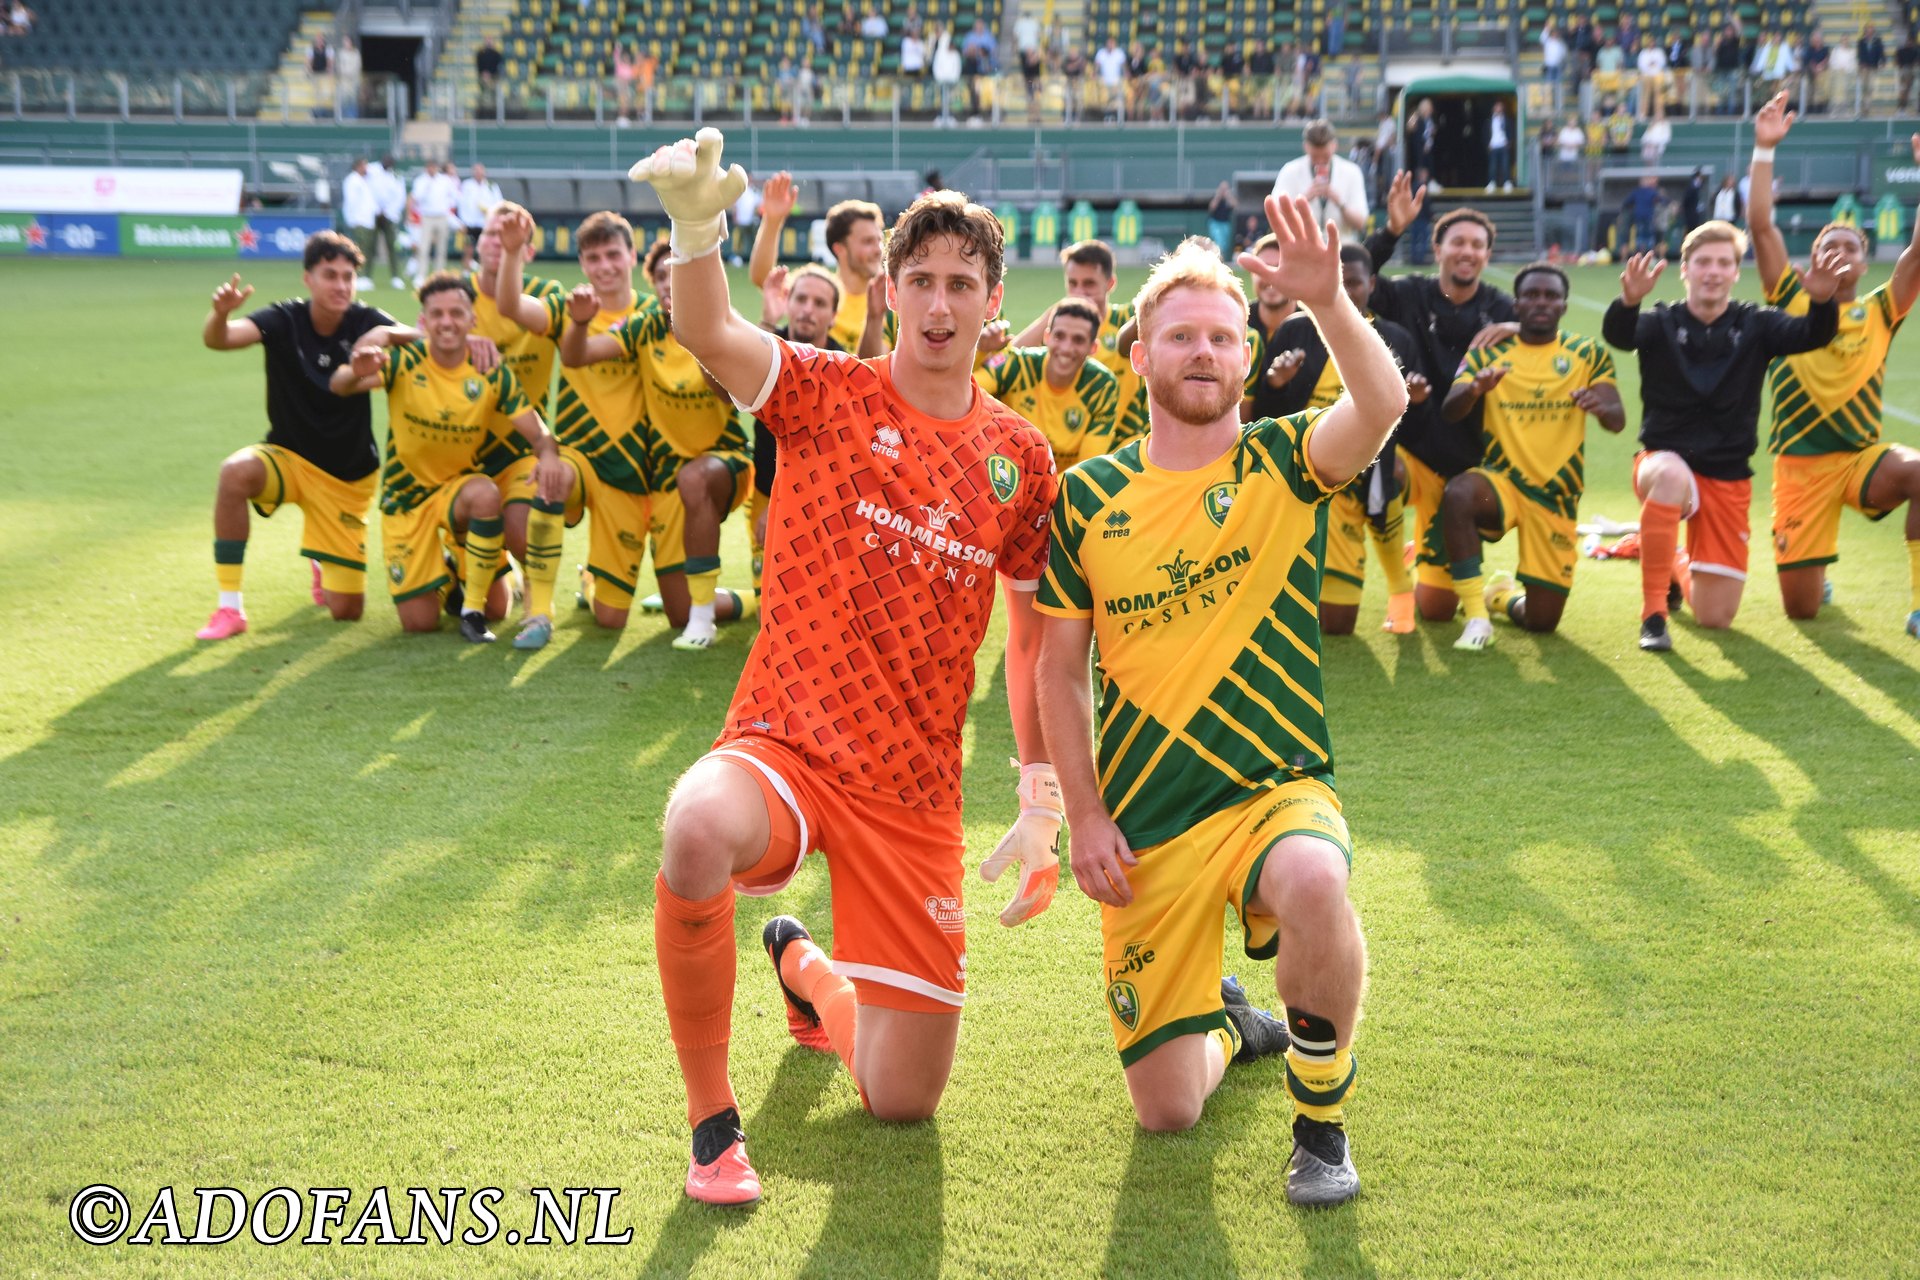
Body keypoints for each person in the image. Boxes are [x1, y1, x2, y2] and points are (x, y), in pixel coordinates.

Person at [630, 129, 1060, 1208]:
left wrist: (1039, 796)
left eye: (963, 282)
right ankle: (712, 1121)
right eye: (920, 278)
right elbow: (706, 325)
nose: (940, 301)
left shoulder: (1021, 457)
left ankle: (806, 968)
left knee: (902, 1099)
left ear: (992, 298)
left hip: (912, 791)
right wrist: (695, 226)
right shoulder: (824, 391)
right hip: (789, 739)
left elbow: (1036, 641)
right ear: (891, 286)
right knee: (695, 827)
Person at [1034, 212, 1408, 1205]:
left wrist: (1326, 298)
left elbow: (1380, 404)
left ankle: (1321, 1122)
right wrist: (1083, 813)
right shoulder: (1084, 498)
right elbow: (1058, 672)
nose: (1205, 351)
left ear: (1248, 354)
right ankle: (1229, 1024)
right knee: (1165, 1110)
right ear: (1139, 351)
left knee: (1314, 879)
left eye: (1224, 336)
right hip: (1147, 821)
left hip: (1270, 789)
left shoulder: (1283, 462)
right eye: (1183, 335)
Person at [1602, 224, 1845, 651]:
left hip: (1728, 474)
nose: (1713, 271)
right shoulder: (1661, 322)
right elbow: (1620, 336)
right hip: (1663, 464)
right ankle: (1653, 615)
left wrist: (1822, 301)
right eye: (1703, 262)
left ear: (1736, 273)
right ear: (1685, 270)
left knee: (1715, 618)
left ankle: (1670, 559)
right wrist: (1629, 300)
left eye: (1724, 263)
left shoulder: (1757, 324)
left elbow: (1812, 334)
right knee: (1673, 473)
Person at [1747, 104, 1920, 633]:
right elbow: (1759, 225)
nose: (1840, 251)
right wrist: (1765, 147)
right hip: (1800, 468)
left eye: (1851, 246)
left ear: (1866, 265)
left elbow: (1917, 253)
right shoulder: (1789, 300)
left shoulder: (1881, 310)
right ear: (1811, 260)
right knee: (1802, 610)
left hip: (1861, 460)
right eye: (1829, 245)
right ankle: (1812, 572)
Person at [330, 273, 566, 644]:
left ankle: (472, 611)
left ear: (473, 320)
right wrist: (354, 372)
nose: (446, 322)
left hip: (458, 494)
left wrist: (549, 455)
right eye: (436, 314)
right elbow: (339, 385)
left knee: (495, 595)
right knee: (419, 624)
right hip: (406, 500)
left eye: (457, 313)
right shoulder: (404, 362)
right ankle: (449, 573)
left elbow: (536, 431)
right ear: (423, 321)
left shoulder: (490, 371)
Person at [194, 234, 396, 640]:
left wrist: (395, 336)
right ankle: (229, 608)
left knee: (346, 612)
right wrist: (219, 315)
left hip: (347, 478)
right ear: (308, 279)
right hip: (288, 459)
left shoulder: (366, 321)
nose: (340, 285)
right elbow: (220, 339)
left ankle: (323, 560)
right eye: (329, 275)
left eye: (348, 276)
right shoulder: (284, 318)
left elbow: (415, 342)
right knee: (233, 473)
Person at [562, 241, 753, 650]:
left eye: (680, 275)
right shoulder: (645, 325)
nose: (671, 284)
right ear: (654, 285)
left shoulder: (723, 324)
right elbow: (577, 357)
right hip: (668, 480)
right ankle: (747, 601)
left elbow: (726, 395)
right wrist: (578, 324)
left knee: (696, 478)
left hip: (726, 465)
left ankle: (703, 621)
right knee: (665, 613)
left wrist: (698, 337)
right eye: (663, 277)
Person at [1439, 263, 1626, 651]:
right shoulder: (1489, 353)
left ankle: (1501, 598)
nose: (1541, 302)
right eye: (1532, 295)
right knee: (1459, 493)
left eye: (1551, 296)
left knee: (1542, 622)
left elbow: (1617, 419)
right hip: (1501, 486)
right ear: (1516, 304)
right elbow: (1450, 410)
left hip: (1555, 497)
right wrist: (1475, 388)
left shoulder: (1587, 354)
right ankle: (1476, 616)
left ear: (1564, 305)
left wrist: (1599, 406)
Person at [1362, 174, 1518, 621]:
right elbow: (1355, 276)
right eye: (1458, 242)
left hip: (1466, 464)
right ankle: (1396, 582)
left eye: (1477, 245)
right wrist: (1391, 231)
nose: (1467, 251)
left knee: (1436, 610)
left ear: (1487, 255)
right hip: (1411, 453)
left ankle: (1495, 593)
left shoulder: (1503, 309)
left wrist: (1521, 329)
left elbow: (1550, 330)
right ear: (1438, 249)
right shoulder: (1408, 294)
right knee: (1376, 468)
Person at [496, 210, 656, 632]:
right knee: (551, 479)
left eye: (612, 255)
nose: (604, 266)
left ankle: (591, 579)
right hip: (577, 456)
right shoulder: (569, 309)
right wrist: (512, 252)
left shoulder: (654, 314)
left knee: (611, 618)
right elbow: (511, 306)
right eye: (594, 258)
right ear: (582, 264)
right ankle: (539, 610)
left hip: (629, 470)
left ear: (632, 256)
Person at [1258, 243, 1428, 635]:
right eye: (1338, 280)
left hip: (1364, 475)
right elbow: (1267, 414)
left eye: (1353, 282)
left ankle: (1400, 581)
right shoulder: (1295, 329)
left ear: (1371, 283)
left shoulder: (1395, 338)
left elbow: (1411, 424)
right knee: (1325, 622)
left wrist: (1417, 403)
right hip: (1301, 475)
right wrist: (1276, 383)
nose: (1345, 290)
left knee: (1337, 625)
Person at [462, 204, 570, 649]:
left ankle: (539, 605)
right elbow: (415, 340)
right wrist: (449, 338)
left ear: (527, 251)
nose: (496, 242)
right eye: (490, 233)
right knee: (486, 609)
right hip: (462, 453)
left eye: (509, 237)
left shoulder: (547, 295)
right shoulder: (457, 298)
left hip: (526, 445)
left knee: (524, 526)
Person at [747, 262, 845, 591]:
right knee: (769, 597)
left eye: (819, 304)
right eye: (800, 299)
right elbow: (720, 382)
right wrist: (766, 322)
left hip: (815, 499)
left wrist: (782, 503)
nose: (807, 310)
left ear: (833, 316)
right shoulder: (766, 344)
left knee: (803, 595)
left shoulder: (840, 364)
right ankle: (709, 607)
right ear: (788, 302)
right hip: (763, 489)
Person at [1006, 239, 1149, 447]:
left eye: (1089, 284)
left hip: (1124, 444)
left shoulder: (1126, 319)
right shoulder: (1061, 331)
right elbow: (1012, 357)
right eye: (1073, 284)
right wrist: (1056, 312)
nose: (1079, 292)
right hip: (1075, 443)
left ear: (1110, 284)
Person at [974, 298, 1119, 469]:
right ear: (1047, 337)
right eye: (1059, 336)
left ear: (1093, 348)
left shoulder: (1101, 386)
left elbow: (1087, 468)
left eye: (1078, 340)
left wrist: (1045, 487)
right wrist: (980, 353)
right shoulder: (1018, 365)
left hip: (1065, 489)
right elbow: (966, 392)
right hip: (1008, 479)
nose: (1066, 348)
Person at [748, 184, 889, 356]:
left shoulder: (886, 304)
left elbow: (876, 370)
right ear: (840, 249)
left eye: (879, 240)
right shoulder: (817, 293)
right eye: (867, 242)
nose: (878, 250)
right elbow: (763, 278)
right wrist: (773, 220)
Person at [1271, 118, 1369, 242]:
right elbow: (1275, 215)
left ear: (1334, 145)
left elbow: (1360, 222)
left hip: (1342, 251)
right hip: (1302, 250)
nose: (1320, 161)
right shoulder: (1290, 171)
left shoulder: (1352, 172)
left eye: (1325, 156)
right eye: (1315, 156)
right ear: (1306, 147)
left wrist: (1339, 202)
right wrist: (1303, 200)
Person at [409, 161, 458, 283]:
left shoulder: (445, 181)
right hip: (427, 217)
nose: (432, 169)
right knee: (424, 247)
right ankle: (421, 275)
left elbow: (454, 196)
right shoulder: (421, 181)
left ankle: (439, 275)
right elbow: (416, 198)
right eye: (430, 167)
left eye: (434, 167)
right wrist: (427, 187)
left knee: (441, 248)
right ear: (426, 168)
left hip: (442, 216)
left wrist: (448, 206)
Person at [339, 159, 379, 289]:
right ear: (357, 167)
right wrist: (353, 219)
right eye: (364, 166)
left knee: (368, 249)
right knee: (358, 249)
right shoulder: (352, 181)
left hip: (368, 220)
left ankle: (366, 276)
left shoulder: (366, 180)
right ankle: (358, 276)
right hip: (358, 220)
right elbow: (351, 201)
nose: (366, 168)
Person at [369, 156, 408, 290]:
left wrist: (388, 211)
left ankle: (396, 277)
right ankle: (365, 276)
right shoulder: (372, 170)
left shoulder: (397, 176)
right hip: (372, 214)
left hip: (390, 216)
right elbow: (367, 192)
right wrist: (376, 209)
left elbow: (400, 197)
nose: (387, 164)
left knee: (392, 246)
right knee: (369, 246)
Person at [457, 163, 501, 271]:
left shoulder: (491, 186)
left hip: (485, 223)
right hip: (470, 223)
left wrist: (489, 212)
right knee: (468, 249)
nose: (478, 173)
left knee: (485, 250)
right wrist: (462, 221)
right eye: (476, 171)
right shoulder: (466, 185)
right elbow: (461, 204)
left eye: (480, 170)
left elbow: (498, 204)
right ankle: (466, 272)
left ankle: (485, 272)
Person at [1486, 101, 1513, 192]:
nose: (1499, 109)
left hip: (1503, 145)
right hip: (1493, 145)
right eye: (1497, 107)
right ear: (1494, 109)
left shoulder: (1506, 120)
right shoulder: (1489, 120)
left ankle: (1507, 182)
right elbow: (1485, 133)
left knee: (1505, 165)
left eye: (1500, 107)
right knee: (1493, 166)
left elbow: (1511, 130)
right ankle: (1492, 183)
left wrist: (1509, 142)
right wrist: (1487, 144)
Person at [1207, 181, 1235, 257]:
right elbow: (1211, 207)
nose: (1224, 191)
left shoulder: (1229, 198)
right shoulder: (1216, 197)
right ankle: (1217, 256)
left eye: (1225, 189)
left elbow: (1234, 205)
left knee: (1225, 244)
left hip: (1225, 224)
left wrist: (1228, 196)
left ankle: (1222, 257)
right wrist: (1218, 196)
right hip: (1216, 223)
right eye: (1222, 189)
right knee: (1218, 240)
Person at [335, 37, 361, 119]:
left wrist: (350, 74)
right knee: (343, 100)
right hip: (343, 82)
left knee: (352, 100)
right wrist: (343, 73)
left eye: (347, 42)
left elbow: (357, 66)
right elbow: (339, 66)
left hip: (353, 81)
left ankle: (352, 118)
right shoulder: (341, 53)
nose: (346, 44)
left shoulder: (356, 53)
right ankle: (342, 118)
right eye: (344, 42)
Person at [1898, 28, 1919, 113]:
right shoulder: (1902, 50)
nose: (1909, 43)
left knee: (1916, 89)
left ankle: (1918, 108)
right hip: (1907, 71)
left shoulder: (1916, 50)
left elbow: (1917, 61)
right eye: (1908, 41)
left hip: (1915, 72)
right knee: (1904, 89)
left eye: (1911, 41)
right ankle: (1902, 107)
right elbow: (1899, 61)